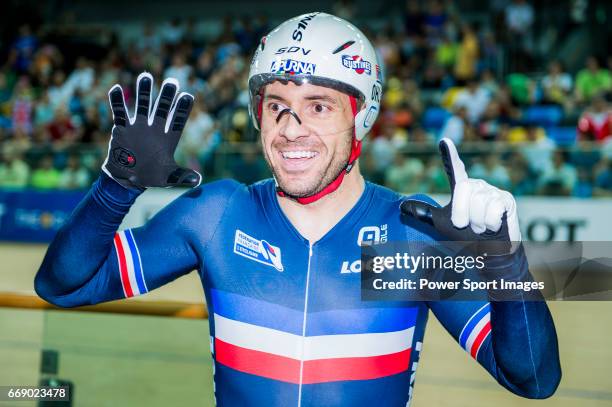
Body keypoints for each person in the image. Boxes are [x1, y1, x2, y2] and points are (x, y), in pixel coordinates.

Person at [35, 13, 560, 406]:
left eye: (319, 106)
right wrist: (115, 186)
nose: (291, 128)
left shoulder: (408, 232)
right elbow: (64, 285)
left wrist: (506, 266)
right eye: (276, 106)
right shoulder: (217, 214)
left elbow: (532, 378)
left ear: (361, 118)